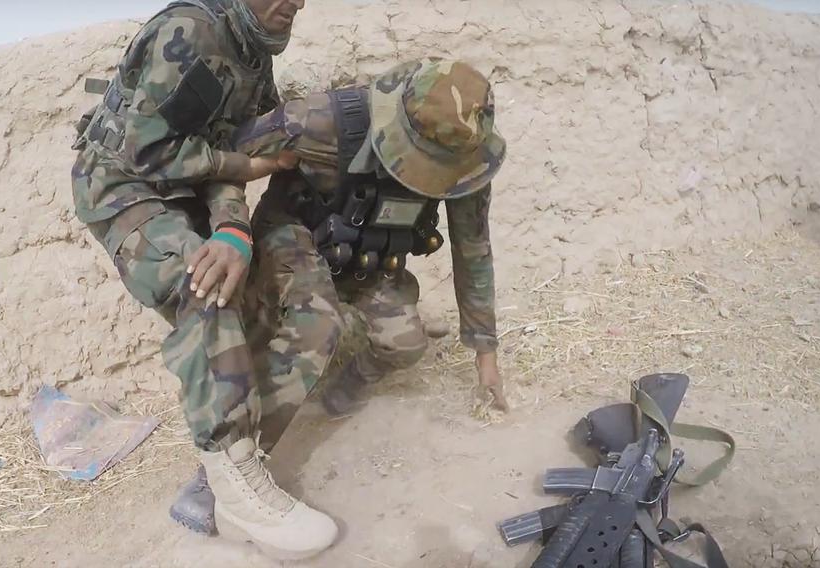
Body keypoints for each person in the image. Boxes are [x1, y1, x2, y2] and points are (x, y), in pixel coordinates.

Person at [175, 56, 511, 544]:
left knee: (406, 342)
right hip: (295, 233)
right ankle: (223, 474)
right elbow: (226, 160)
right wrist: (231, 226)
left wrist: (486, 353)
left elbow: (473, 249)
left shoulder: (465, 156)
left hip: (370, 252)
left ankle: (342, 388)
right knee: (318, 327)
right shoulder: (320, 121)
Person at [71, 0, 340, 561]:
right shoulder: (192, 32)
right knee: (205, 286)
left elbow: (230, 150)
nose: (296, 3)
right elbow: (144, 148)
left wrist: (233, 229)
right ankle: (239, 487)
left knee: (307, 316)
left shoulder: (253, 53)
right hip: (123, 188)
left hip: (186, 194)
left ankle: (226, 467)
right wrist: (241, 174)